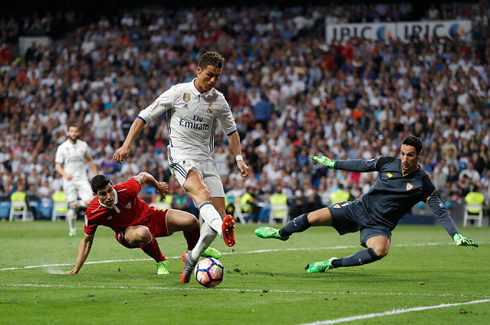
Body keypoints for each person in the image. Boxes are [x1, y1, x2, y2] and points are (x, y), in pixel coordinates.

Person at [113, 51, 250, 283]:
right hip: (180, 155)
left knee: (219, 214)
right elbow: (143, 117)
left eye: (217, 76)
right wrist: (126, 145)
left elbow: (231, 131)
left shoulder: (219, 100)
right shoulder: (178, 92)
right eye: (209, 75)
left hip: (206, 158)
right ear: (198, 70)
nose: (213, 80)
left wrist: (239, 158)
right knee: (202, 194)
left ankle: (193, 257)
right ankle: (223, 226)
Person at [255, 136, 478, 273]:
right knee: (312, 218)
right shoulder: (387, 163)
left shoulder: (423, 184)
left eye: (410, 155)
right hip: (357, 209)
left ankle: (331, 263)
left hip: (380, 225)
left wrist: (455, 235)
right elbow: (361, 165)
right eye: (402, 153)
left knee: (381, 250)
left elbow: (440, 210)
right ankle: (281, 233)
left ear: (419, 155)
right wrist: (333, 164)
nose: (405, 159)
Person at [64, 172, 220, 275]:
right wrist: (76, 269)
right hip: (127, 232)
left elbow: (144, 176)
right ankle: (160, 262)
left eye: (110, 190)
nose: (109, 196)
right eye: (103, 194)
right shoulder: (93, 212)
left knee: (191, 221)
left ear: (112, 185)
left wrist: (158, 185)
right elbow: (87, 241)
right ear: (95, 195)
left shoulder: (126, 189)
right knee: (143, 233)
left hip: (151, 216)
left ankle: (193, 251)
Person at [55, 124, 98, 237]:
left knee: (90, 203)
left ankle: (89, 227)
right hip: (69, 180)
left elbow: (90, 160)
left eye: (75, 131)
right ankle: (72, 229)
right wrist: (65, 175)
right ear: (68, 133)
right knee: (73, 207)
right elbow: (58, 166)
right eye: (71, 131)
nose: (73, 133)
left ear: (78, 133)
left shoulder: (83, 145)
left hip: (82, 179)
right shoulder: (62, 147)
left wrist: (96, 175)